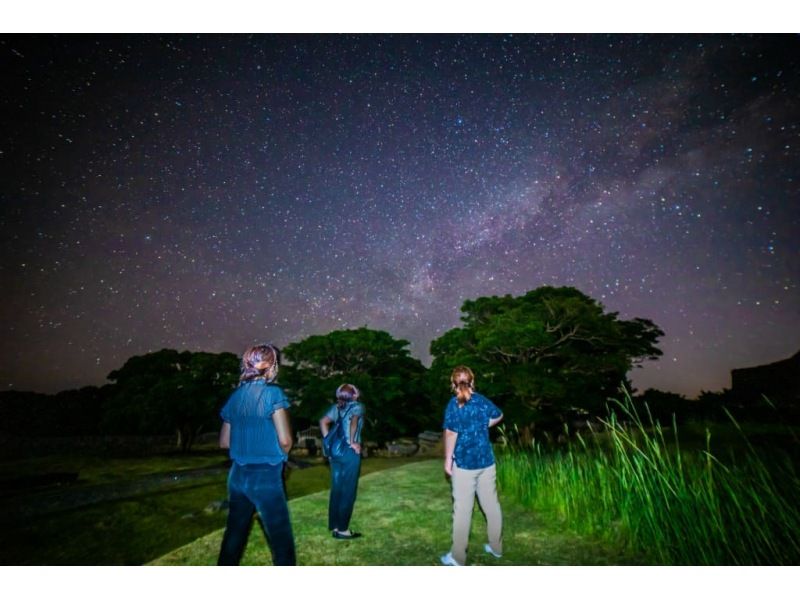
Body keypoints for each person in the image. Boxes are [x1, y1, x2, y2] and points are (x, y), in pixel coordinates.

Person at [217, 343, 296, 565]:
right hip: (267, 475)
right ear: (272, 368)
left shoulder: (235, 397)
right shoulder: (273, 394)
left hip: (237, 476)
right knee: (281, 538)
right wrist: (283, 457)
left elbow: (224, 442)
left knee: (234, 533)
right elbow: (285, 440)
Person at [440, 365, 504, 566]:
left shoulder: (453, 405)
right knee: (491, 505)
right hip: (487, 462)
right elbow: (499, 415)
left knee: (462, 510)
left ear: (453, 384)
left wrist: (448, 459)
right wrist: (484, 424)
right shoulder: (482, 401)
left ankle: (458, 557)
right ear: (472, 381)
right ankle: (496, 547)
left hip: (465, 465)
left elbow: (451, 433)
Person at [319, 383, 365, 539]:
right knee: (348, 491)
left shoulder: (337, 407)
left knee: (337, 488)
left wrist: (327, 441)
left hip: (335, 452)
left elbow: (323, 422)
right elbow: (353, 422)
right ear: (354, 395)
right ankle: (343, 530)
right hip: (349, 452)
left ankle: (335, 526)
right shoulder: (357, 406)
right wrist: (352, 442)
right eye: (356, 391)